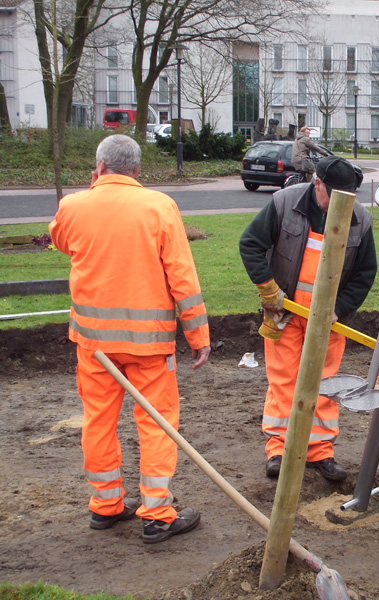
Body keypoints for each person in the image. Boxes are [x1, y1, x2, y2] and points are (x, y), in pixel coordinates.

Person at [49, 134, 211, 544]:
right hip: (149, 346)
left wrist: (92, 193)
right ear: (137, 171)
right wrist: (198, 334)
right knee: (156, 424)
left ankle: (105, 505)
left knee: (98, 421)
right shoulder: (158, 207)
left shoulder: (72, 206)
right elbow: (182, 277)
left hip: (94, 346)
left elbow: (61, 241)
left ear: (98, 167)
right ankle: (156, 512)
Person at [239, 156, 377, 481]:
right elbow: (250, 244)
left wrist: (339, 309)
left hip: (328, 320)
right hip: (285, 312)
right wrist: (269, 291)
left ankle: (319, 452)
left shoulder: (361, 220)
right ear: (317, 184)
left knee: (324, 384)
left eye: (349, 198)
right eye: (335, 197)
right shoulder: (285, 204)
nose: (343, 205)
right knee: (284, 380)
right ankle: (279, 449)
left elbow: (365, 273)